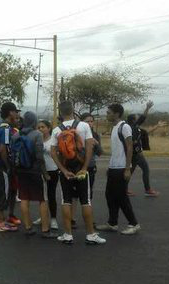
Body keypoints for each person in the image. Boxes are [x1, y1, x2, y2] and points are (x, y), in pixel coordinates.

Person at [51, 101, 105, 245]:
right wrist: (85, 167)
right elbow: (89, 147)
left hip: (65, 171)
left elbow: (53, 152)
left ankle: (68, 234)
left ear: (60, 112)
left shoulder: (56, 130)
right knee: (85, 201)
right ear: (73, 110)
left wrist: (63, 170)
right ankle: (90, 235)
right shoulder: (84, 126)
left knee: (66, 201)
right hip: (81, 169)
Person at [96, 103, 141, 235]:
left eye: (109, 112)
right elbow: (116, 150)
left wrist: (127, 169)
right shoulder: (115, 127)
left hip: (122, 167)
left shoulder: (124, 126)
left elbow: (130, 147)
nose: (107, 114)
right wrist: (110, 166)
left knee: (121, 197)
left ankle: (134, 223)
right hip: (114, 167)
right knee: (109, 195)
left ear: (117, 114)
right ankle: (112, 223)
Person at [13, 112, 58, 238]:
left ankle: (28, 227)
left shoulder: (16, 135)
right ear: (34, 121)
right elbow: (39, 157)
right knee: (42, 199)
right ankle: (45, 230)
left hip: (21, 171)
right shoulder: (37, 135)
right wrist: (45, 174)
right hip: (35, 171)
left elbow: (13, 154)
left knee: (24, 198)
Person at [0, 102, 21, 232]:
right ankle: (1, 223)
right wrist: (8, 165)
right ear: (10, 113)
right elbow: (3, 148)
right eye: (15, 112)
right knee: (2, 192)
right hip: (1, 166)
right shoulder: (6, 129)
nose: (17, 114)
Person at [126, 101, 161, 197]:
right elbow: (143, 117)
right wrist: (147, 108)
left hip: (136, 155)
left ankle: (124, 189)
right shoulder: (131, 128)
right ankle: (147, 190)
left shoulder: (135, 127)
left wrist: (157, 126)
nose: (139, 117)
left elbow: (146, 129)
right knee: (143, 170)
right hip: (135, 155)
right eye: (137, 117)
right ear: (133, 120)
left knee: (131, 171)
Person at [34, 120, 59, 230]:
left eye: (43, 127)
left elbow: (58, 154)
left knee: (51, 195)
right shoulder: (36, 140)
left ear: (49, 128)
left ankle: (53, 219)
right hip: (39, 171)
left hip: (52, 170)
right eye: (38, 127)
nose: (40, 129)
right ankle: (43, 217)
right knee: (41, 196)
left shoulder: (53, 141)